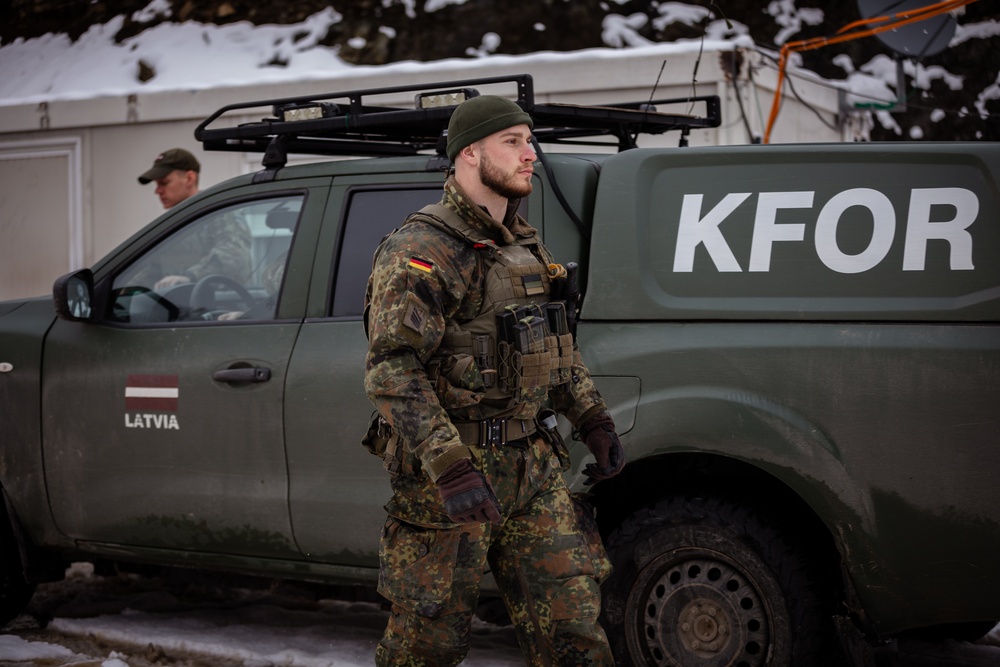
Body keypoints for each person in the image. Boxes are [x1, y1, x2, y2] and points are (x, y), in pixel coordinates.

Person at [363, 95, 625, 666]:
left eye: (530, 140)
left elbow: (554, 347)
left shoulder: (524, 245)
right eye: (513, 141)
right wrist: (449, 466)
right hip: (452, 481)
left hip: (532, 467)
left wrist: (591, 416)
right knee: (425, 646)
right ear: (469, 154)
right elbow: (392, 368)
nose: (531, 154)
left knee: (574, 631)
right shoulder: (422, 249)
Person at [136, 148, 252, 291]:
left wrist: (191, 276)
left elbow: (234, 253)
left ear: (189, 178)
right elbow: (151, 268)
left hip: (222, 307)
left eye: (164, 183)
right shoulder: (170, 223)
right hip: (182, 307)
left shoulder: (217, 212)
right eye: (157, 185)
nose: (158, 191)